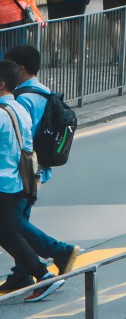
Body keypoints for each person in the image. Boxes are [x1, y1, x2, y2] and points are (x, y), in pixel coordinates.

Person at [7, 46, 76, 286]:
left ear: (21, 68)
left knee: (13, 225)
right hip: (37, 168)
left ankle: (60, 251)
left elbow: (18, 137)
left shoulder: (23, 98)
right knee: (16, 221)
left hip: (21, 170)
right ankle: (22, 271)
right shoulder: (44, 92)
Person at [0, 59, 51, 296]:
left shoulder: (2, 113)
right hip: (19, 180)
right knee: (11, 231)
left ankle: (45, 272)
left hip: (4, 183)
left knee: (12, 231)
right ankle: (39, 273)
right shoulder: (19, 107)